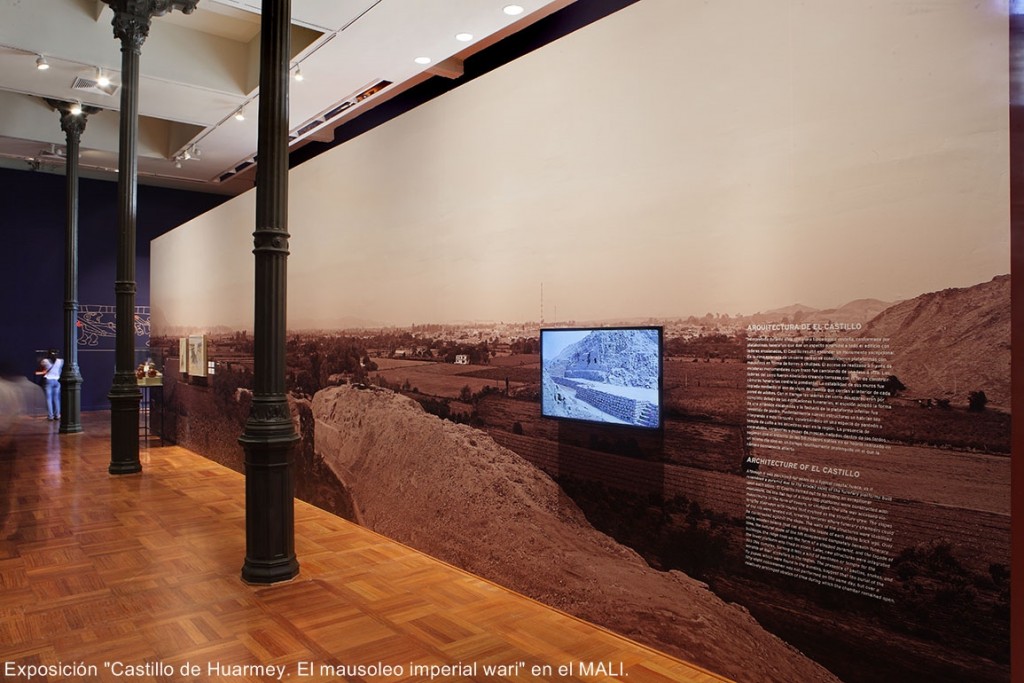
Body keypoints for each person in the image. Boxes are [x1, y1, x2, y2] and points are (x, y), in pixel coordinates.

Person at [35, 349, 63, 421]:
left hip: (48, 380)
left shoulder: (45, 361)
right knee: (56, 399)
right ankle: (57, 415)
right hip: (57, 380)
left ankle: (50, 416)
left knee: (49, 399)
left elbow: (41, 366)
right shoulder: (61, 361)